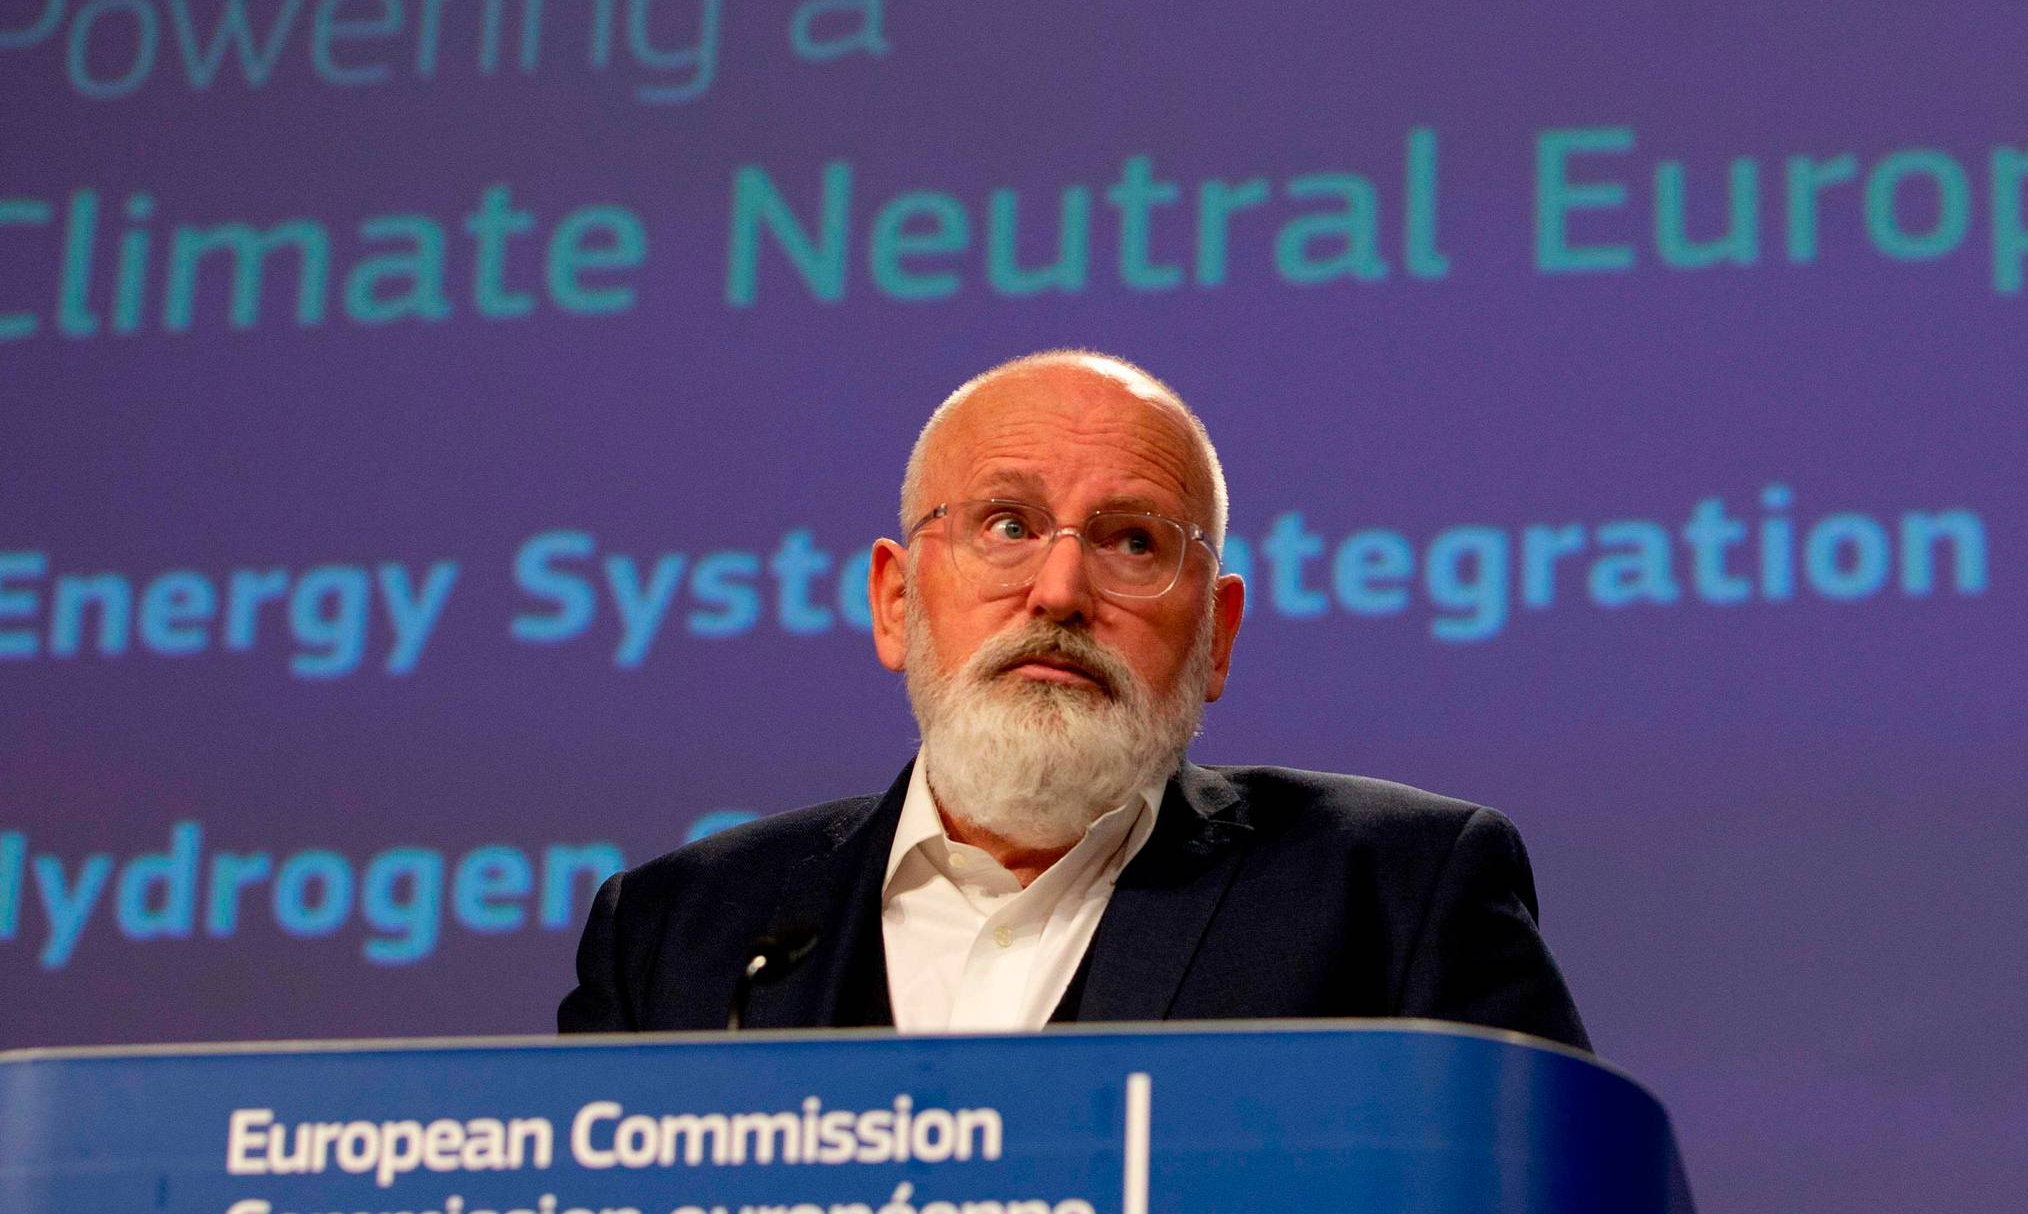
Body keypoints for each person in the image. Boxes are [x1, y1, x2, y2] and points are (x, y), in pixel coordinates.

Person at [557, 351, 1588, 1049]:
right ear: (895, 600)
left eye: (1133, 542)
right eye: (1006, 525)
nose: (1058, 591)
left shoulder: (1392, 894)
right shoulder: (676, 940)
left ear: (1217, 636)